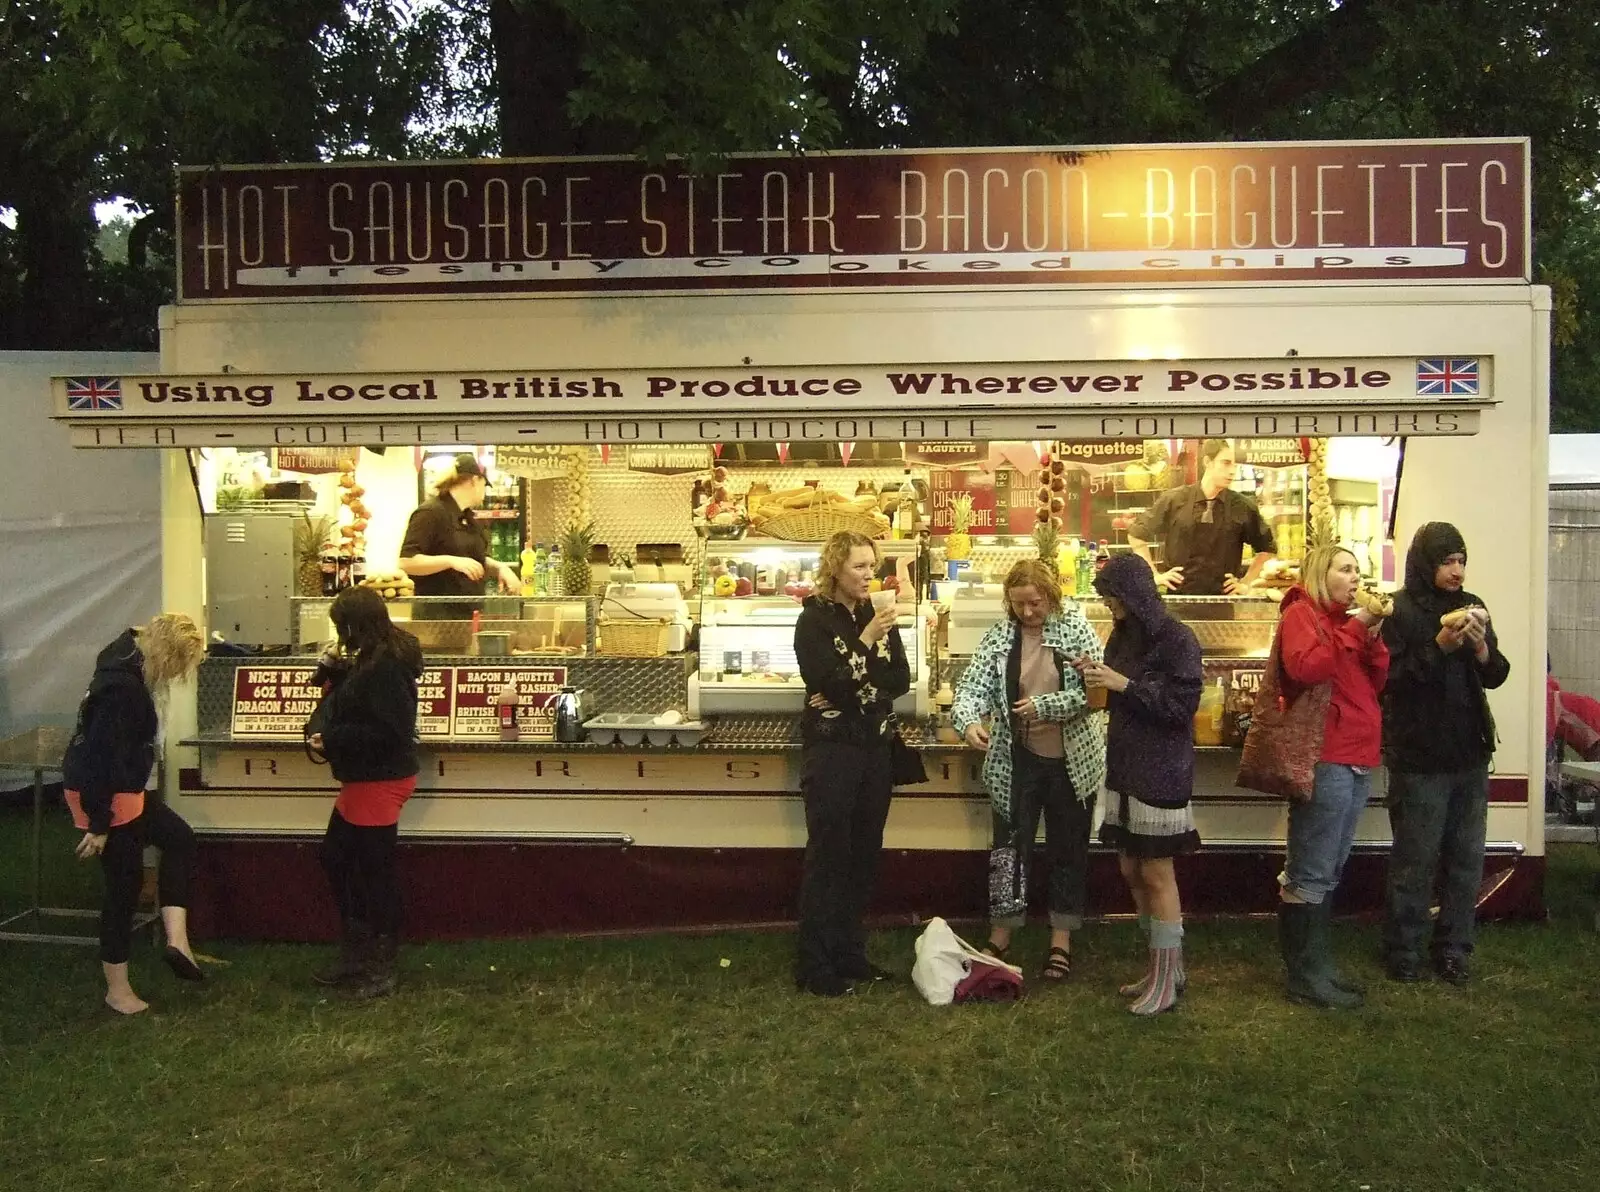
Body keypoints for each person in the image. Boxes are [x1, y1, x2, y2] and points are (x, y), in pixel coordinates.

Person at [951, 559, 1105, 983]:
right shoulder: (1001, 635)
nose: (1027, 613)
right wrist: (968, 723)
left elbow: (1093, 690)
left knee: (1068, 851)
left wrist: (1045, 706)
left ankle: (1061, 939)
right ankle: (1001, 933)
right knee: (1008, 849)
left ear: (1051, 598)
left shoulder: (1075, 629)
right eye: (1018, 605)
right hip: (1015, 761)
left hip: (1073, 762)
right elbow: (971, 687)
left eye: (1035, 603)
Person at [1381, 523, 1510, 985]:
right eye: (1447, 562)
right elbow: (1389, 681)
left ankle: (1454, 949)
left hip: (1469, 754)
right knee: (1415, 860)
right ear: (1425, 563)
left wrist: (1479, 647)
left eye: (1461, 560)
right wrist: (1437, 648)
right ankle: (1405, 950)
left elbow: (1497, 674)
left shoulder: (1471, 607)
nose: (1457, 571)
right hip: (1419, 757)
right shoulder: (1398, 611)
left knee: (1466, 859)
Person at [61, 613, 207, 1014]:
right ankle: (117, 991)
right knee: (123, 890)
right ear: (165, 653)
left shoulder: (124, 650)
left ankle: (178, 941)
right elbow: (97, 759)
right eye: (178, 666)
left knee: (178, 838)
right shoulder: (122, 690)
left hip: (123, 787)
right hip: (106, 794)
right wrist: (99, 823)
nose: (176, 675)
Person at [1079, 554, 1203, 1016]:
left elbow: (1181, 706)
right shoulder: (1123, 634)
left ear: (1134, 593)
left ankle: (1168, 981)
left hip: (1162, 767)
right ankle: (1161, 967)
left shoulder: (1177, 639)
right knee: (1131, 869)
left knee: (1156, 871)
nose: (1109, 604)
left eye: (1113, 595)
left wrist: (1123, 685)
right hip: (1125, 762)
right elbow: (1113, 691)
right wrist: (1092, 675)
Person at [791, 530, 910, 996]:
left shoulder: (879, 613)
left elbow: (898, 678)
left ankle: (850, 954)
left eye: (872, 565)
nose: (869, 575)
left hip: (874, 749)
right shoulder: (814, 620)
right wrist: (863, 643)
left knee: (863, 855)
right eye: (859, 566)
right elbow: (824, 680)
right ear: (836, 569)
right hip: (832, 750)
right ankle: (815, 965)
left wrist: (853, 688)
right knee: (829, 855)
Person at [1273, 545, 1389, 1009]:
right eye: (1345, 569)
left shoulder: (1347, 623)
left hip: (1359, 756)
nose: (1355, 577)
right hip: (1327, 755)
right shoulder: (1301, 613)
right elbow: (1307, 668)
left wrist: (1373, 638)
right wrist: (1356, 628)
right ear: (1322, 574)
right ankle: (1304, 975)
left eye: (1357, 570)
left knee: (1332, 865)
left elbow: (1376, 682)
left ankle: (1319, 966)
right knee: (1311, 868)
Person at [306, 587, 425, 999]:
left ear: (357, 624)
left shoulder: (387, 666)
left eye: (343, 626)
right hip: (368, 778)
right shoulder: (378, 658)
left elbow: (390, 730)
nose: (341, 634)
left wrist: (332, 738)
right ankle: (362, 950)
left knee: (372, 872)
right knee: (339, 859)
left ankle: (377, 960)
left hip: (378, 779)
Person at [1128, 439, 1277, 595]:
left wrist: (1246, 583)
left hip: (1225, 603)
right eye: (1226, 463)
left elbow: (1267, 548)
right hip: (1178, 601)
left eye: (1235, 465)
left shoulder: (1243, 506)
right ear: (1208, 462)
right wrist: (1153, 576)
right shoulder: (1174, 499)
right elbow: (1136, 534)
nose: (1232, 471)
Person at [398, 453, 519, 618]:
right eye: (485, 485)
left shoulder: (468, 517)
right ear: (474, 481)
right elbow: (406, 561)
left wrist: (500, 568)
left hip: (468, 615)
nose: (484, 492)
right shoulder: (430, 513)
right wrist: (450, 561)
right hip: (437, 618)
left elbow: (474, 558)